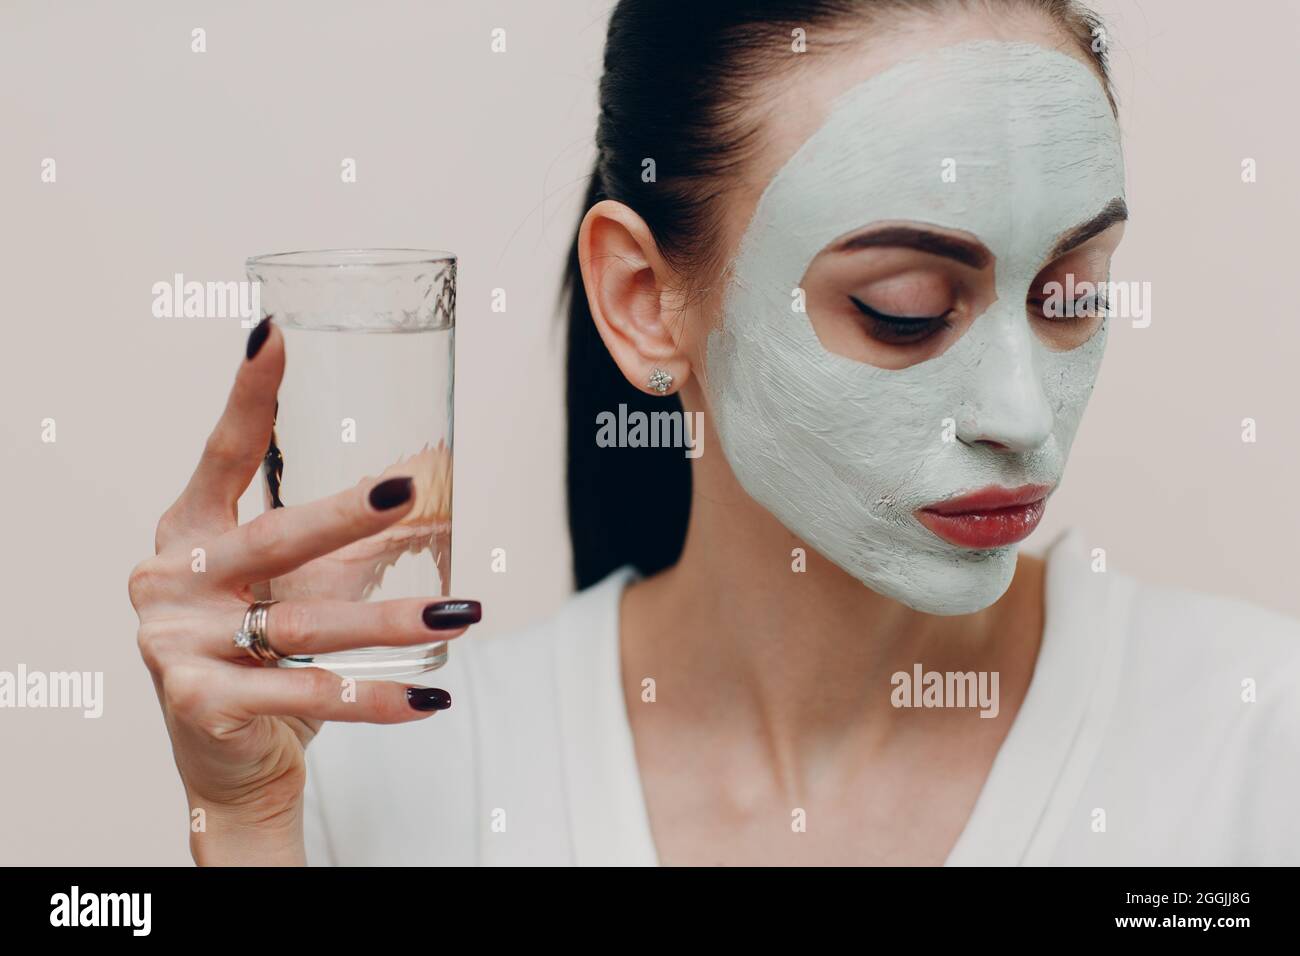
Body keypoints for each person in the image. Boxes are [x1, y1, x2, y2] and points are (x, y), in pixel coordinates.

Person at [129, 0, 1300, 866]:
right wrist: (244, 821)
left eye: (1070, 295)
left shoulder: (1256, 740)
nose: (1023, 415)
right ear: (645, 301)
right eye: (904, 309)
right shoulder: (402, 768)